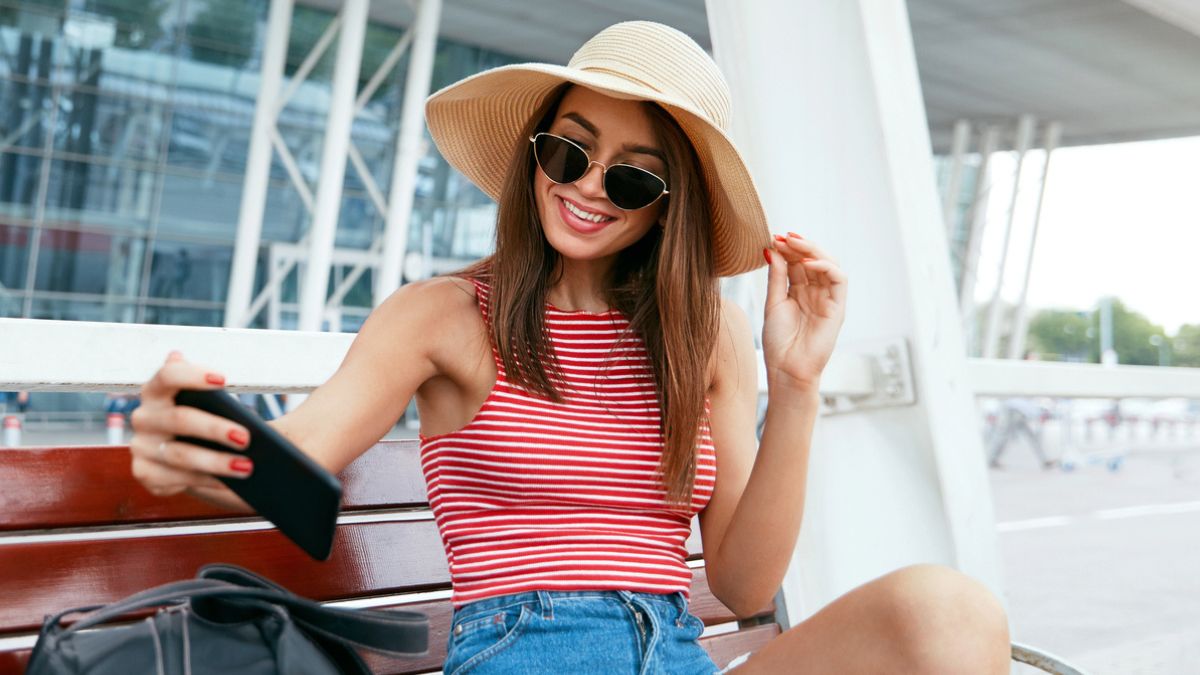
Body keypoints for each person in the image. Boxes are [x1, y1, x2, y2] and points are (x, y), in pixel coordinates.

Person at [128, 21, 1009, 674]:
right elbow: (293, 456)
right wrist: (193, 436)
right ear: (534, 156)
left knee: (945, 610)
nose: (588, 187)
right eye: (568, 152)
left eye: (629, 174)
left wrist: (799, 382)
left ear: (669, 204)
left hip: (676, 652)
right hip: (525, 648)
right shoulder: (443, 315)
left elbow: (744, 586)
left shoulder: (706, 338)